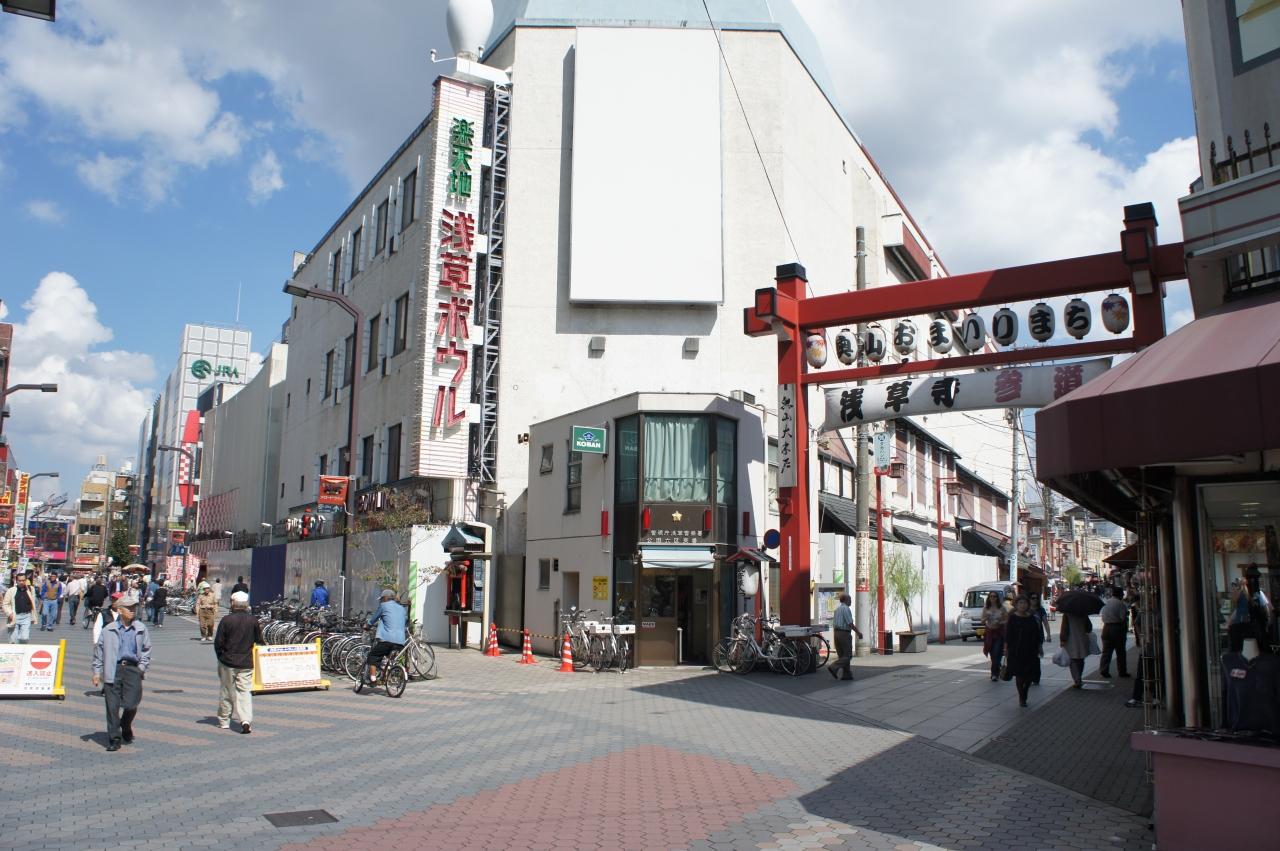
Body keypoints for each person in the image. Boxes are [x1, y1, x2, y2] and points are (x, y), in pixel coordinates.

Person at [91, 593, 151, 752]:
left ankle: (125, 724)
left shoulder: (140, 628)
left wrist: (141, 668)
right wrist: (96, 672)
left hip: (132, 669)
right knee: (112, 706)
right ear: (120, 610)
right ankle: (114, 738)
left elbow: (146, 649)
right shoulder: (108, 629)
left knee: (132, 703)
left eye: (134, 608)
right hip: (113, 669)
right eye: (129, 608)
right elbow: (99, 651)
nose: (132, 610)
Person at [214, 591, 263, 734]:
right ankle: (246, 720)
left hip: (228, 662)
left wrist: (221, 656)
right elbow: (259, 640)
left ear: (232, 603)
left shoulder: (226, 620)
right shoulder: (253, 620)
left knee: (227, 692)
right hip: (246, 662)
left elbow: (218, 642)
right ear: (246, 604)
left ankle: (224, 721)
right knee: (245, 692)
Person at [1005, 595, 1043, 708]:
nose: (1023, 605)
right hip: (1016, 650)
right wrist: (1006, 649)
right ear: (1016, 605)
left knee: (1030, 675)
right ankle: (1022, 696)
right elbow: (1008, 635)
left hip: (1031, 650)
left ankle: (1024, 691)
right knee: (1019, 675)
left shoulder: (1031, 618)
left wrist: (1039, 647)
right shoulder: (1012, 618)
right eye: (1020, 603)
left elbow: (1037, 634)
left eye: (1025, 603)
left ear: (1028, 605)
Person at [365, 588, 408, 683]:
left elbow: (373, 619)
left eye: (381, 599)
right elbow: (404, 621)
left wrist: (367, 626)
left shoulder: (383, 606)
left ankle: (373, 679)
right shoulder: (402, 609)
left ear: (385, 598)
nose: (381, 600)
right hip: (401, 641)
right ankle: (385, 674)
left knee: (373, 656)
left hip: (387, 640)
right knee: (388, 658)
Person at [828, 593, 863, 682]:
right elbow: (850, 623)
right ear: (846, 600)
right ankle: (834, 666)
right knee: (848, 655)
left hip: (836, 633)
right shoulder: (846, 609)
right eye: (850, 599)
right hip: (844, 633)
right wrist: (858, 633)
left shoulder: (837, 610)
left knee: (842, 655)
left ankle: (846, 674)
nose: (851, 601)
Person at [1098, 587, 1130, 678]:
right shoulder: (1120, 604)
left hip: (1106, 627)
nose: (1123, 595)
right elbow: (1122, 618)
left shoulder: (1107, 602)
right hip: (1117, 628)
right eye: (1122, 594)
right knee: (1120, 651)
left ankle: (1104, 670)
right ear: (1119, 594)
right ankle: (1122, 671)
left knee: (1106, 651)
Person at [1060, 610, 1093, 688]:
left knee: (1073, 661)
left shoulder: (1067, 613)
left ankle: (1077, 679)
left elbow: (1065, 628)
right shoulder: (1084, 613)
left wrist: (1063, 639)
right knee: (1081, 659)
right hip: (1082, 638)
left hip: (1071, 640)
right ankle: (1079, 677)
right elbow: (1089, 627)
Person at [3, 573, 38, 644]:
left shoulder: (31, 589)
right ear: (16, 581)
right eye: (19, 580)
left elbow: (34, 602)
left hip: (26, 616)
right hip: (14, 616)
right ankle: (15, 649)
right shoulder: (11, 590)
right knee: (13, 640)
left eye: (23, 580)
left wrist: (33, 613)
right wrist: (10, 613)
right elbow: (5, 604)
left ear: (26, 580)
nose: (21, 582)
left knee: (24, 638)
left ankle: (22, 649)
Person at [981, 592, 1007, 682]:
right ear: (989, 598)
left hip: (999, 632)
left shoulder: (1001, 608)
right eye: (991, 596)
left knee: (996, 652)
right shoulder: (986, 608)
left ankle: (994, 674)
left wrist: (1000, 622)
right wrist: (986, 617)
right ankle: (996, 669)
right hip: (989, 633)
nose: (993, 598)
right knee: (993, 654)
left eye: (995, 596)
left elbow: (1007, 619)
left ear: (997, 598)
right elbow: (982, 621)